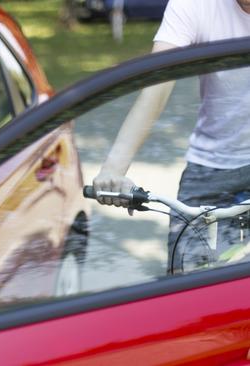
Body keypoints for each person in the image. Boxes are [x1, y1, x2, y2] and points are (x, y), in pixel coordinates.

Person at [92, 0, 250, 271]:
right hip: (209, 170)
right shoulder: (194, 5)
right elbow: (157, 86)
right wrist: (114, 168)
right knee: (183, 284)